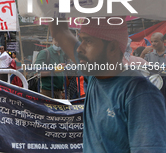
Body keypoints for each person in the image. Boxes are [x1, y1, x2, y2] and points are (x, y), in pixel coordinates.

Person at [49, 17, 166, 152]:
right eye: (81, 40)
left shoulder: (140, 94)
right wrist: (56, 1)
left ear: (112, 47)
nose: (79, 49)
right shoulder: (95, 77)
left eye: (88, 41)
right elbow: (60, 32)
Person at [144, 32, 166, 102]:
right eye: (152, 41)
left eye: (156, 41)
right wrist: (142, 54)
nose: (153, 44)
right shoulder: (148, 55)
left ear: (162, 41)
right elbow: (142, 69)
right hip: (152, 87)